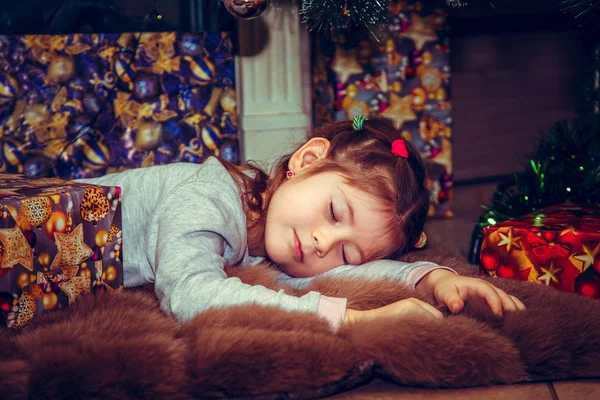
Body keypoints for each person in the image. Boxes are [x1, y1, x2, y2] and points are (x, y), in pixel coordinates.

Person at [79, 116, 525, 330]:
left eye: (345, 249)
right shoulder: (206, 197)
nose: (321, 243)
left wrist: (432, 278)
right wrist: (345, 317)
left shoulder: (273, 236)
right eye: (334, 213)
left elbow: (349, 273)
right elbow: (190, 294)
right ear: (307, 160)